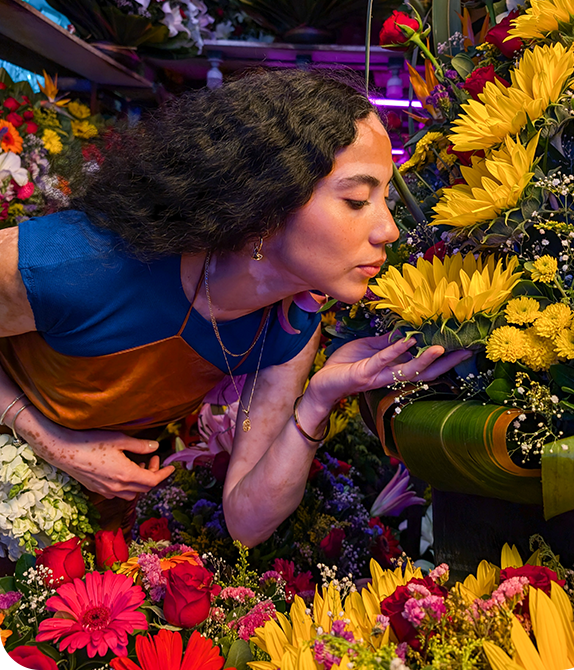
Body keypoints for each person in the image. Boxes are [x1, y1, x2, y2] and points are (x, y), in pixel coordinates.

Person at [0, 69, 468, 547]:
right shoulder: (78, 261)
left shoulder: (290, 328)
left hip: (73, 524)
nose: (388, 230)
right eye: (356, 200)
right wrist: (54, 444)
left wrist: (319, 399)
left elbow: (246, 522)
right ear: (265, 199)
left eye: (384, 200)